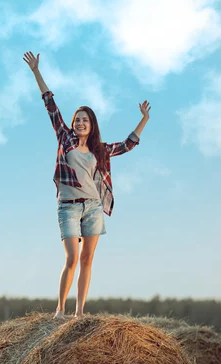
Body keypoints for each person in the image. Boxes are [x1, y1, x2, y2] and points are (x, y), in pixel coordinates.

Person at [23, 51, 151, 319]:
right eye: (77, 119)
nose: (80, 123)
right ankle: (60, 310)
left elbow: (127, 145)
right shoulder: (65, 139)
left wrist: (143, 120)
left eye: (85, 120)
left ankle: (80, 312)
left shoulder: (100, 150)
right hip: (68, 208)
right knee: (71, 258)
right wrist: (36, 71)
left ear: (92, 125)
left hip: (93, 208)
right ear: (72, 124)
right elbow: (51, 106)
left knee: (87, 260)